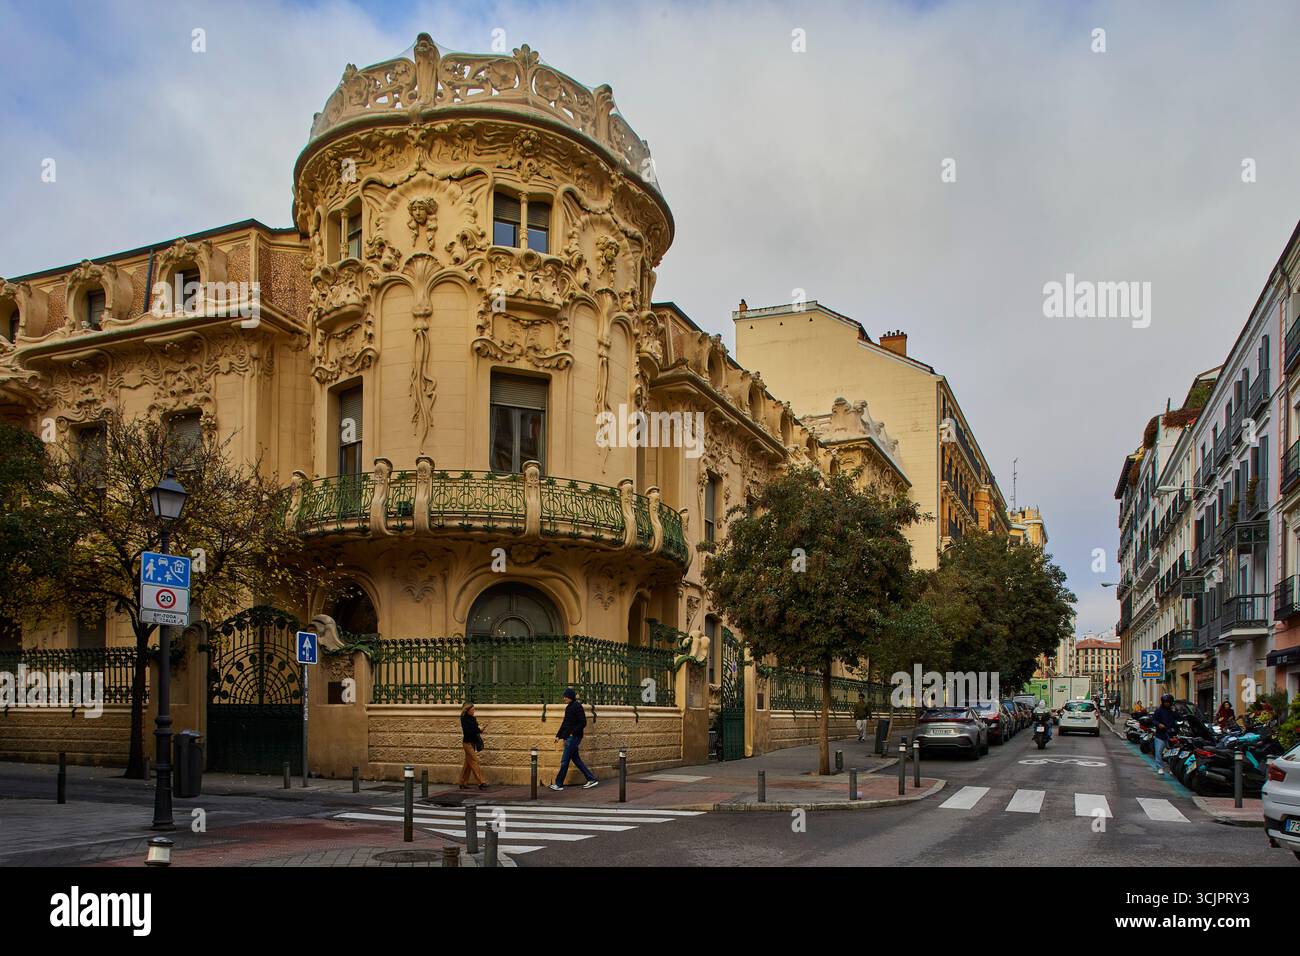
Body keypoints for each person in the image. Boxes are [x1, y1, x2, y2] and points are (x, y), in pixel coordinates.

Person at [550, 688, 598, 791]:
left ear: (570, 696)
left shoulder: (577, 706)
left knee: (564, 761)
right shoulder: (568, 708)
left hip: (574, 737)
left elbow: (583, 722)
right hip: (568, 737)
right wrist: (558, 735)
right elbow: (565, 723)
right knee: (576, 760)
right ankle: (591, 779)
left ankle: (558, 784)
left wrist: (573, 733)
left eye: (565, 696)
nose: (564, 698)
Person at [459, 702, 488, 790]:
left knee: (467, 764)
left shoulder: (473, 719)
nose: (474, 711)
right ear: (467, 710)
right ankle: (481, 782)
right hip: (467, 743)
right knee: (475, 761)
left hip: (472, 743)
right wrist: (478, 729)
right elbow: (468, 732)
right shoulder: (464, 719)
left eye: (474, 709)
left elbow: (475, 731)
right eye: (472, 710)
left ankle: (462, 782)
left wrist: (480, 730)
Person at [1151, 693, 1178, 775]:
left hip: (1171, 734)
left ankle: (1172, 768)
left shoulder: (1172, 711)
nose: (1167, 703)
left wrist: (1175, 711)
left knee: (1173, 752)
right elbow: (1153, 720)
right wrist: (1159, 724)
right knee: (1158, 752)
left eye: (1168, 702)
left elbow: (1179, 718)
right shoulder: (1159, 710)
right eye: (1165, 702)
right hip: (1160, 734)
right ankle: (1160, 767)